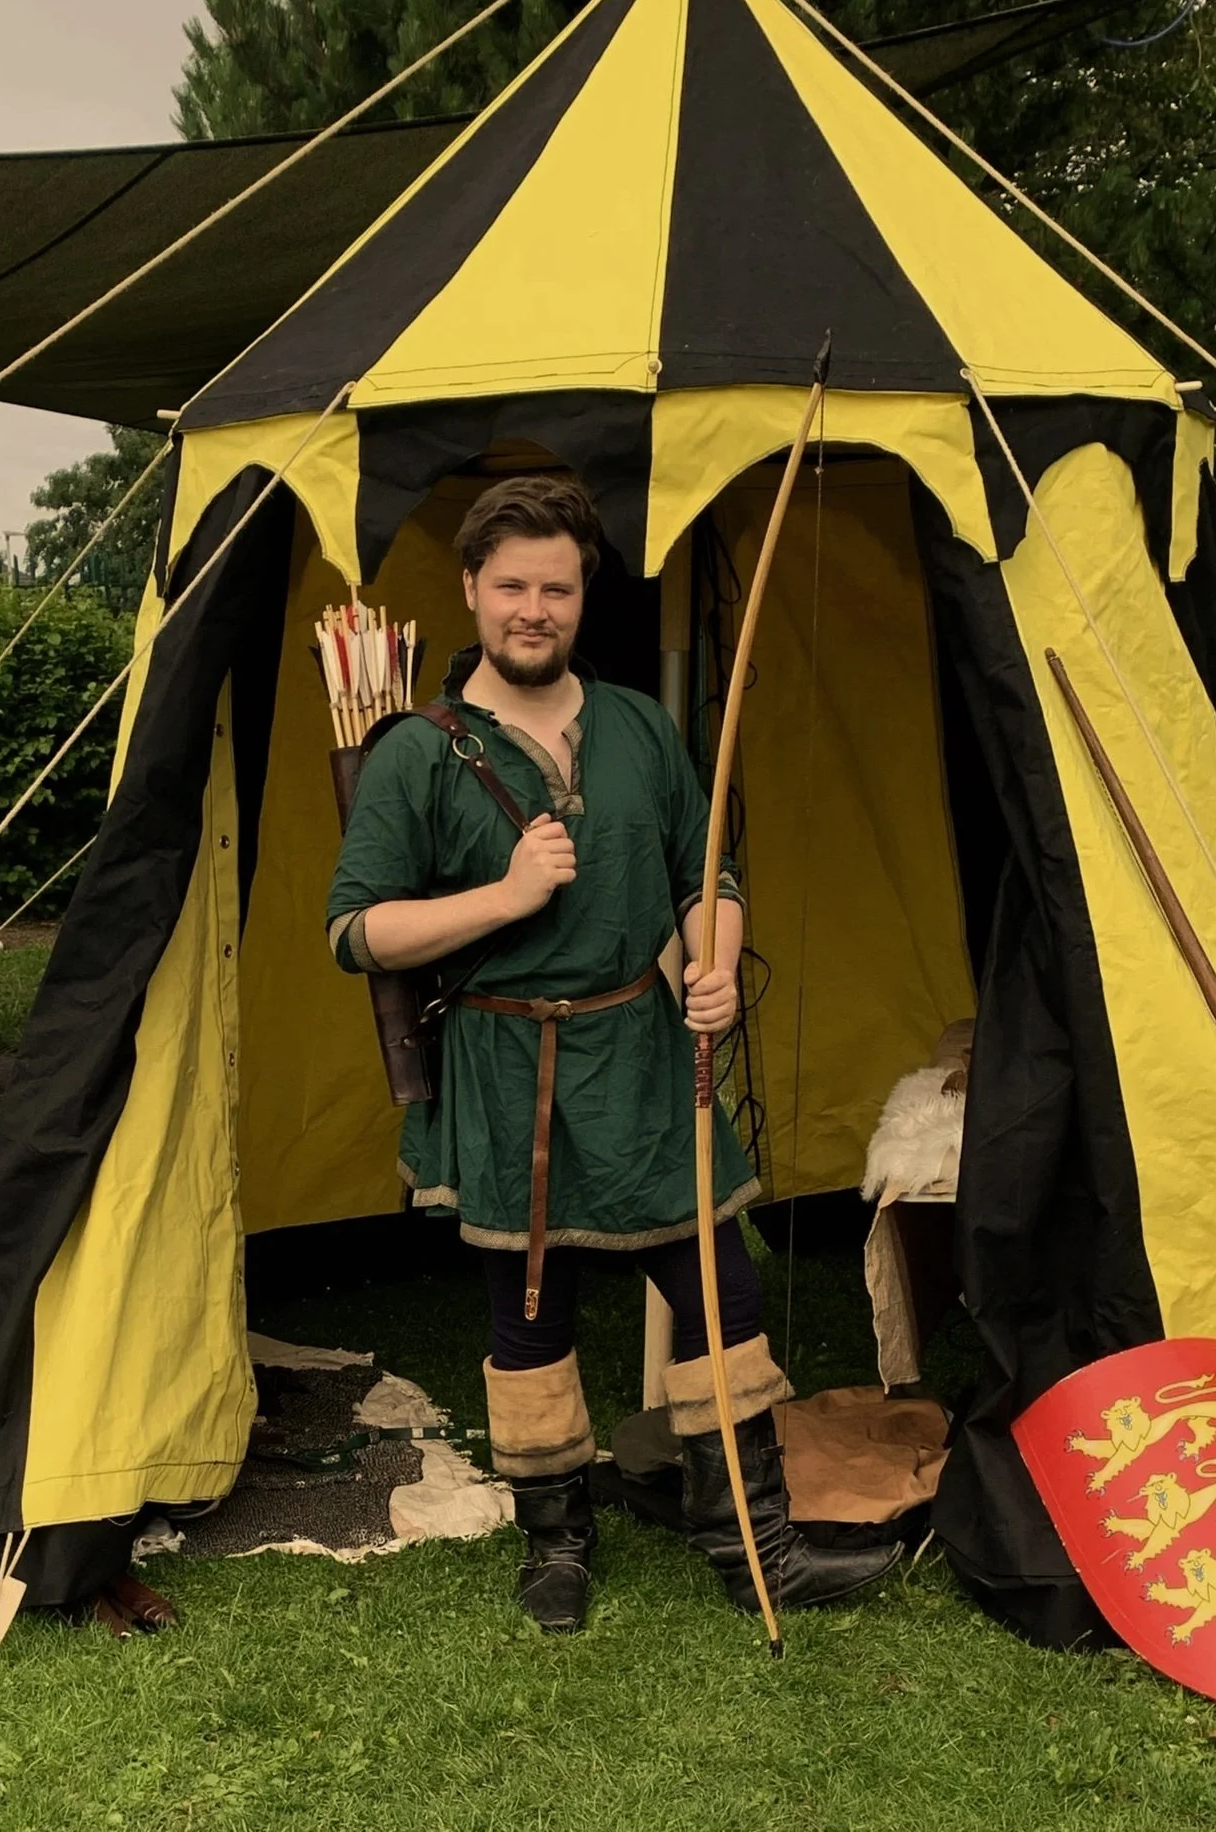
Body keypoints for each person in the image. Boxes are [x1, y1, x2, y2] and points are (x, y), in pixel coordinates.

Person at [326, 475, 899, 1631]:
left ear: (584, 595)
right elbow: (359, 930)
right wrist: (503, 894)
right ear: (473, 593)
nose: (534, 608)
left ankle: (755, 1544)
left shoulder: (639, 725)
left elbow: (708, 874)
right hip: (505, 1073)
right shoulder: (414, 754)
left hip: (643, 1056)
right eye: (512, 586)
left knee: (721, 1298)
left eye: (558, 586)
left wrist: (715, 963)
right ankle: (556, 1546)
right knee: (529, 1322)